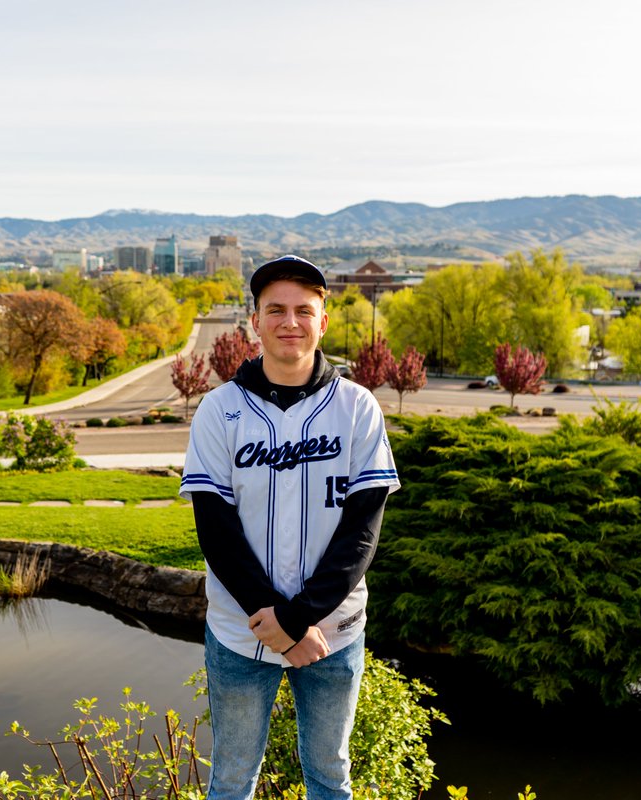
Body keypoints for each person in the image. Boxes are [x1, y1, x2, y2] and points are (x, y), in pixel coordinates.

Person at [180, 254, 400, 800]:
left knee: (330, 778)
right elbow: (215, 529)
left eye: (305, 310)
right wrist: (277, 624)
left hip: (333, 634)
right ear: (254, 321)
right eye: (275, 309)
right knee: (231, 781)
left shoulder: (357, 408)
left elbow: (362, 532)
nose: (290, 322)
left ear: (323, 322)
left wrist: (298, 622)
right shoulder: (218, 410)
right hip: (239, 633)